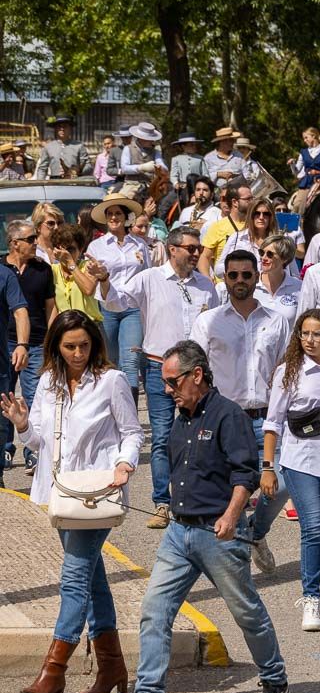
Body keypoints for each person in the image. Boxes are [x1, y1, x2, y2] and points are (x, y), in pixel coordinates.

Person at [99, 341, 288, 693]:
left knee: (246, 611)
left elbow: (245, 474)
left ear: (196, 375)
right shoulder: (180, 416)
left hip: (218, 535)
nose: (167, 390)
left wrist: (233, 516)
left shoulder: (228, 416)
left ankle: (274, 680)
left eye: (172, 382)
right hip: (178, 534)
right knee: (155, 610)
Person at [3, 311, 140, 693]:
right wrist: (24, 425)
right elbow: (39, 443)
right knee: (93, 579)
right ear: (56, 348)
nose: (78, 353)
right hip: (60, 492)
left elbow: (131, 432)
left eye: (84, 345)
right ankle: (112, 666)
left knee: (75, 578)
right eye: (69, 346)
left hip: (98, 492)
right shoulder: (48, 382)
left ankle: (53, 671)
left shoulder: (111, 381)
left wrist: (125, 463)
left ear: (95, 343)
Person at [92, 226, 220, 530]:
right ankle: (163, 502)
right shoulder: (150, 278)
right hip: (159, 369)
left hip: (198, 374)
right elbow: (116, 302)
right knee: (162, 439)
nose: (196, 254)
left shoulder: (206, 285)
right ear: (172, 249)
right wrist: (104, 279)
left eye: (198, 249)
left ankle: (195, 499)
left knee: (201, 438)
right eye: (190, 248)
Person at [190, 251, 291, 572]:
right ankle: (238, 561)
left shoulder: (277, 320)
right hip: (225, 419)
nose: (240, 282)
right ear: (225, 278)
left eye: (246, 275)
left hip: (268, 417)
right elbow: (195, 369)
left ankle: (254, 532)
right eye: (233, 276)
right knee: (230, 491)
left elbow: (289, 366)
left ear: (255, 277)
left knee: (282, 483)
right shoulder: (208, 321)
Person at [264, 309, 320, 630]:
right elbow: (273, 421)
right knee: (313, 528)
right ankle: (310, 598)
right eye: (304, 334)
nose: (309, 340)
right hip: (299, 461)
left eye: (316, 334)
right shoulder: (288, 372)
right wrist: (267, 467)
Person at [1, 220, 57, 472]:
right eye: (31, 239)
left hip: (35, 343)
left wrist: (51, 340)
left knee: (35, 398)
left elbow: (51, 307)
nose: (36, 243)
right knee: (5, 397)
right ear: (14, 243)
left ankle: (32, 450)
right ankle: (5, 448)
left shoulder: (42, 269)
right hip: (5, 343)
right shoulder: (2, 268)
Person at [85, 194, 150, 409]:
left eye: (118, 213)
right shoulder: (96, 247)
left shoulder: (139, 245)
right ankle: (112, 409)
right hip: (107, 308)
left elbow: (148, 276)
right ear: (105, 218)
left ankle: (129, 412)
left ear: (126, 217)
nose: (114, 217)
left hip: (133, 307)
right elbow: (90, 280)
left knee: (130, 362)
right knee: (110, 362)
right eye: (110, 213)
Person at [49, 223, 102, 324]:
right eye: (61, 249)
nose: (65, 253)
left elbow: (88, 289)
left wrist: (71, 263)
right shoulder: (52, 271)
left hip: (89, 326)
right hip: (64, 328)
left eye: (70, 249)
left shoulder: (89, 266)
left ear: (81, 249)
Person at [199, 184, 252, 278]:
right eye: (248, 199)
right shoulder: (217, 227)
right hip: (223, 284)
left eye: (252, 198)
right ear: (235, 202)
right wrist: (207, 280)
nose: (252, 202)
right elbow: (204, 257)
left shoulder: (254, 225)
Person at [215, 197, 278, 275]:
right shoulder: (236, 238)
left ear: (271, 217)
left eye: (266, 214)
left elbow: (292, 273)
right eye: (257, 213)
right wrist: (237, 269)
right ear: (251, 215)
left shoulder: (279, 241)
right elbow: (218, 269)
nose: (261, 217)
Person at [254, 234, 303, 323]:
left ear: (284, 258)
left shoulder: (299, 287)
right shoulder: (252, 285)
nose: (264, 258)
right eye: (262, 252)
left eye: (270, 254)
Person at [118, 122, 167, 188]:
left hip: (151, 185)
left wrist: (159, 167)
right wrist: (141, 167)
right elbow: (124, 169)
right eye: (150, 139)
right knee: (126, 197)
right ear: (142, 138)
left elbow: (162, 165)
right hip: (132, 184)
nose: (152, 141)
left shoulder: (156, 151)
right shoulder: (128, 148)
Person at [288, 127, 320, 191]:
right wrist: (292, 164)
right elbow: (296, 171)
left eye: (306, 137)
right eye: (304, 138)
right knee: (298, 201)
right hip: (306, 185)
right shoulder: (303, 152)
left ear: (313, 136)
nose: (304, 140)